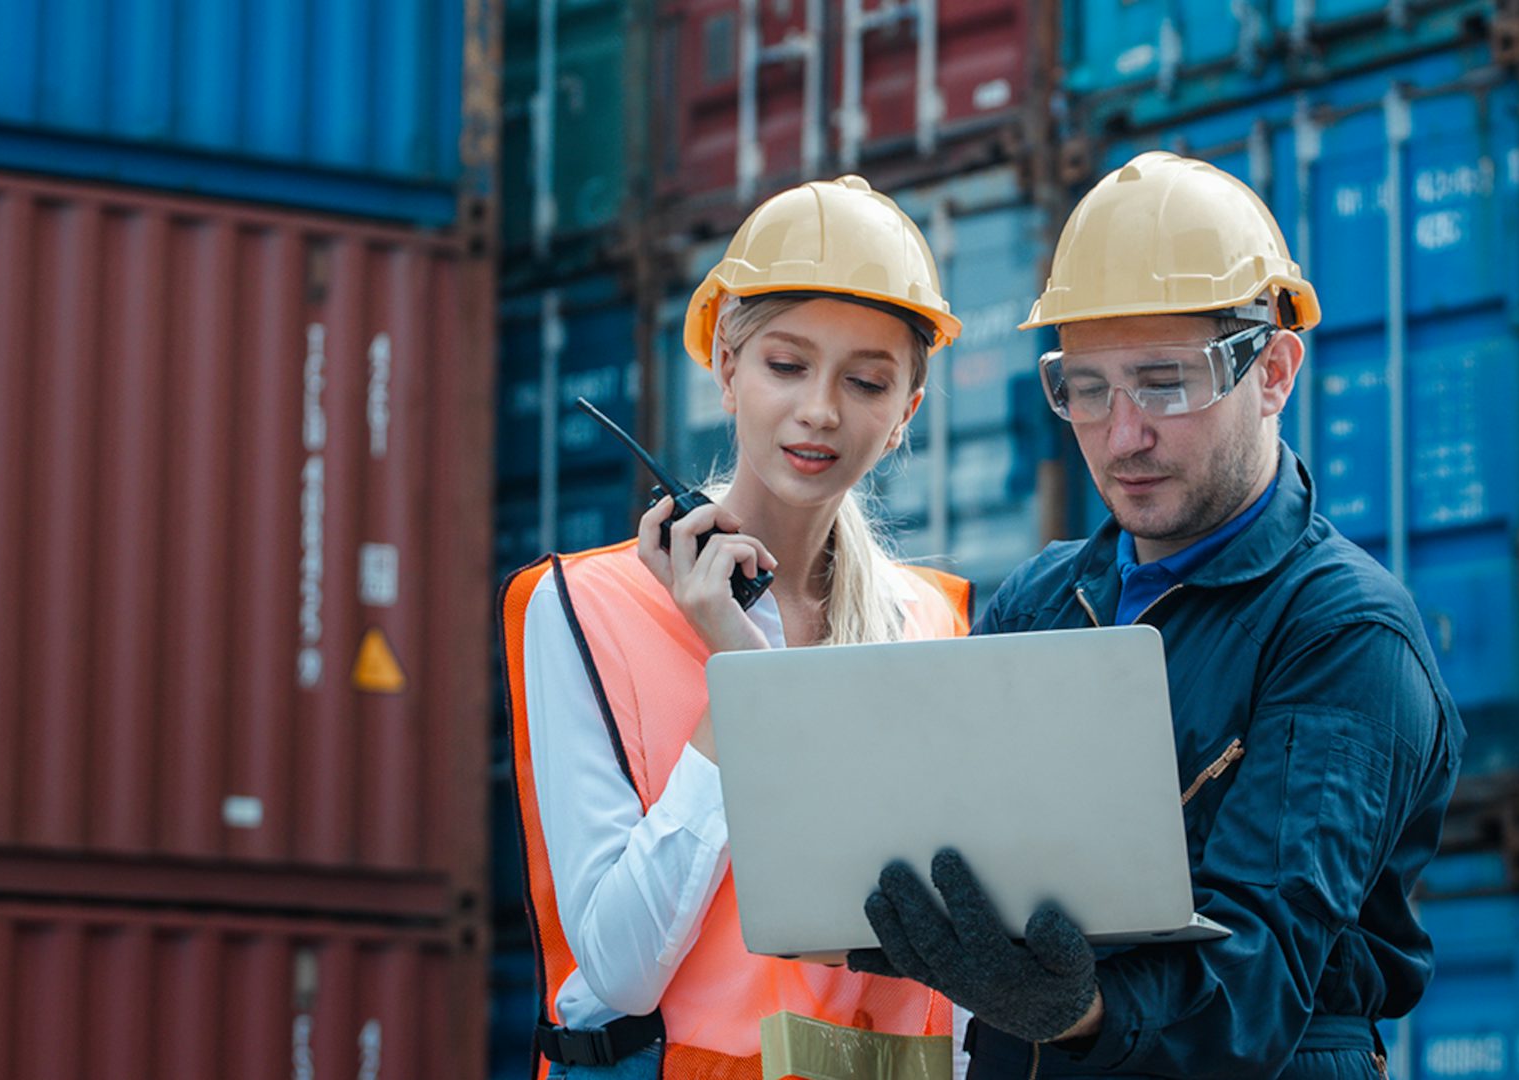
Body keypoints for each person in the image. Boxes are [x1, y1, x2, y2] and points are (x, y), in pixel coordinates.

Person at [849, 151, 1466, 1078]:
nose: (1123, 434)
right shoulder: (1040, 604)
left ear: (1275, 372)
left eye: (1165, 381)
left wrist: (1083, 1012)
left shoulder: (1344, 636)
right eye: (1088, 389)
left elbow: (1260, 970)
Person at [501, 175, 974, 1077]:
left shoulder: (937, 620)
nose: (821, 410)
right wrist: (743, 686)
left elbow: (956, 997)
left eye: (867, 381)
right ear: (726, 366)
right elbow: (621, 972)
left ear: (908, 409)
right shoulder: (582, 608)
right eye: (786, 365)